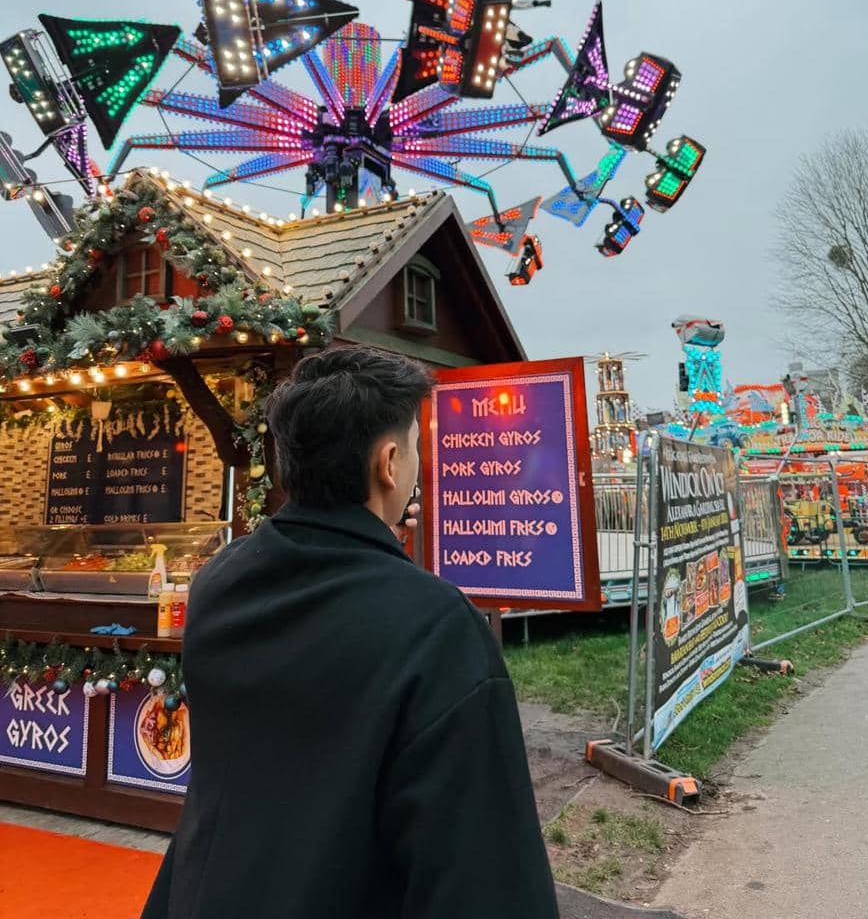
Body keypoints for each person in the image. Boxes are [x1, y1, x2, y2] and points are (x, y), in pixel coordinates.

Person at [142, 345, 558, 919]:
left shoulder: (221, 580)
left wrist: (378, 537)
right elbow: (481, 865)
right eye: (415, 447)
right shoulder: (435, 625)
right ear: (389, 464)